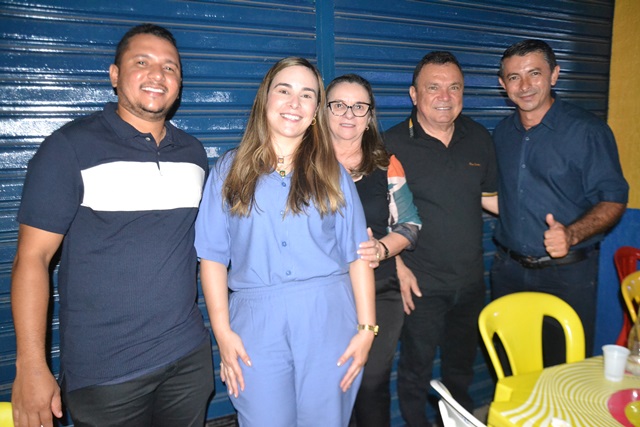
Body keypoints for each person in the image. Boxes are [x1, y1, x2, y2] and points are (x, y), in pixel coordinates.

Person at [10, 23, 214, 427]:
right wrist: (31, 366)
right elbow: (32, 259)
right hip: (106, 374)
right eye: (142, 62)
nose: (157, 75)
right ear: (115, 75)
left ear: (179, 84)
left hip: (187, 358)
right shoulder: (69, 147)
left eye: (170, 67)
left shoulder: (193, 154)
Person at [194, 57, 376, 427]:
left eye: (307, 95)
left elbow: (357, 255)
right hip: (255, 324)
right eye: (284, 90)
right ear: (265, 98)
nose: (295, 102)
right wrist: (222, 333)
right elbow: (212, 257)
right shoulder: (229, 171)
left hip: (329, 317)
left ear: (315, 111)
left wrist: (367, 330)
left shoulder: (332, 173)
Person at [491, 39, 629, 362]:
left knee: (563, 370)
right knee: (512, 364)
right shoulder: (502, 134)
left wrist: (571, 234)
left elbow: (613, 200)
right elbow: (500, 196)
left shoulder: (587, 131)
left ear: (554, 74)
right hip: (509, 272)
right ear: (503, 84)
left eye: (534, 73)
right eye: (514, 77)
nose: (525, 86)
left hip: (566, 276)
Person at [383, 51, 499, 426]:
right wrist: (397, 266)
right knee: (415, 372)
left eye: (454, 87)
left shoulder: (478, 137)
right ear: (414, 94)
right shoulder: (390, 145)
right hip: (420, 285)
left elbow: (491, 199)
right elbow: (373, 216)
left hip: (469, 283)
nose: (445, 97)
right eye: (433, 87)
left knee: (460, 371)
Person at [325, 74, 422, 427]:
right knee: (332, 387)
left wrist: (381, 249)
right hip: (322, 297)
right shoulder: (303, 163)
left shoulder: (385, 163)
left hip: (380, 293)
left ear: (369, 116)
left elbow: (410, 225)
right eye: (339, 105)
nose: (348, 114)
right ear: (323, 111)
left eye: (359, 107)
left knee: (369, 386)